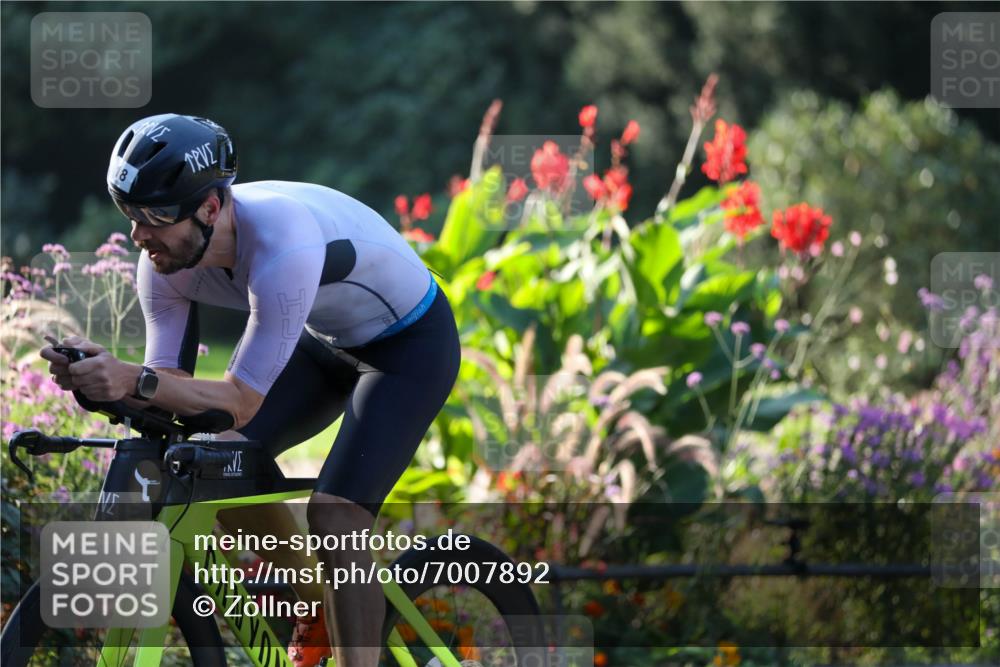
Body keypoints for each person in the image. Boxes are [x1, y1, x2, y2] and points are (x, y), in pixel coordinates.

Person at [41, 113, 461, 667]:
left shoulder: (282, 245)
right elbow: (173, 387)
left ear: (211, 208)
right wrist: (102, 381)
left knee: (336, 517)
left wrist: (133, 379)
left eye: (156, 215)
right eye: (129, 214)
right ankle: (316, 608)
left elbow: (239, 401)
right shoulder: (162, 262)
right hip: (322, 336)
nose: (140, 236)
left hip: (408, 347)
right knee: (215, 459)